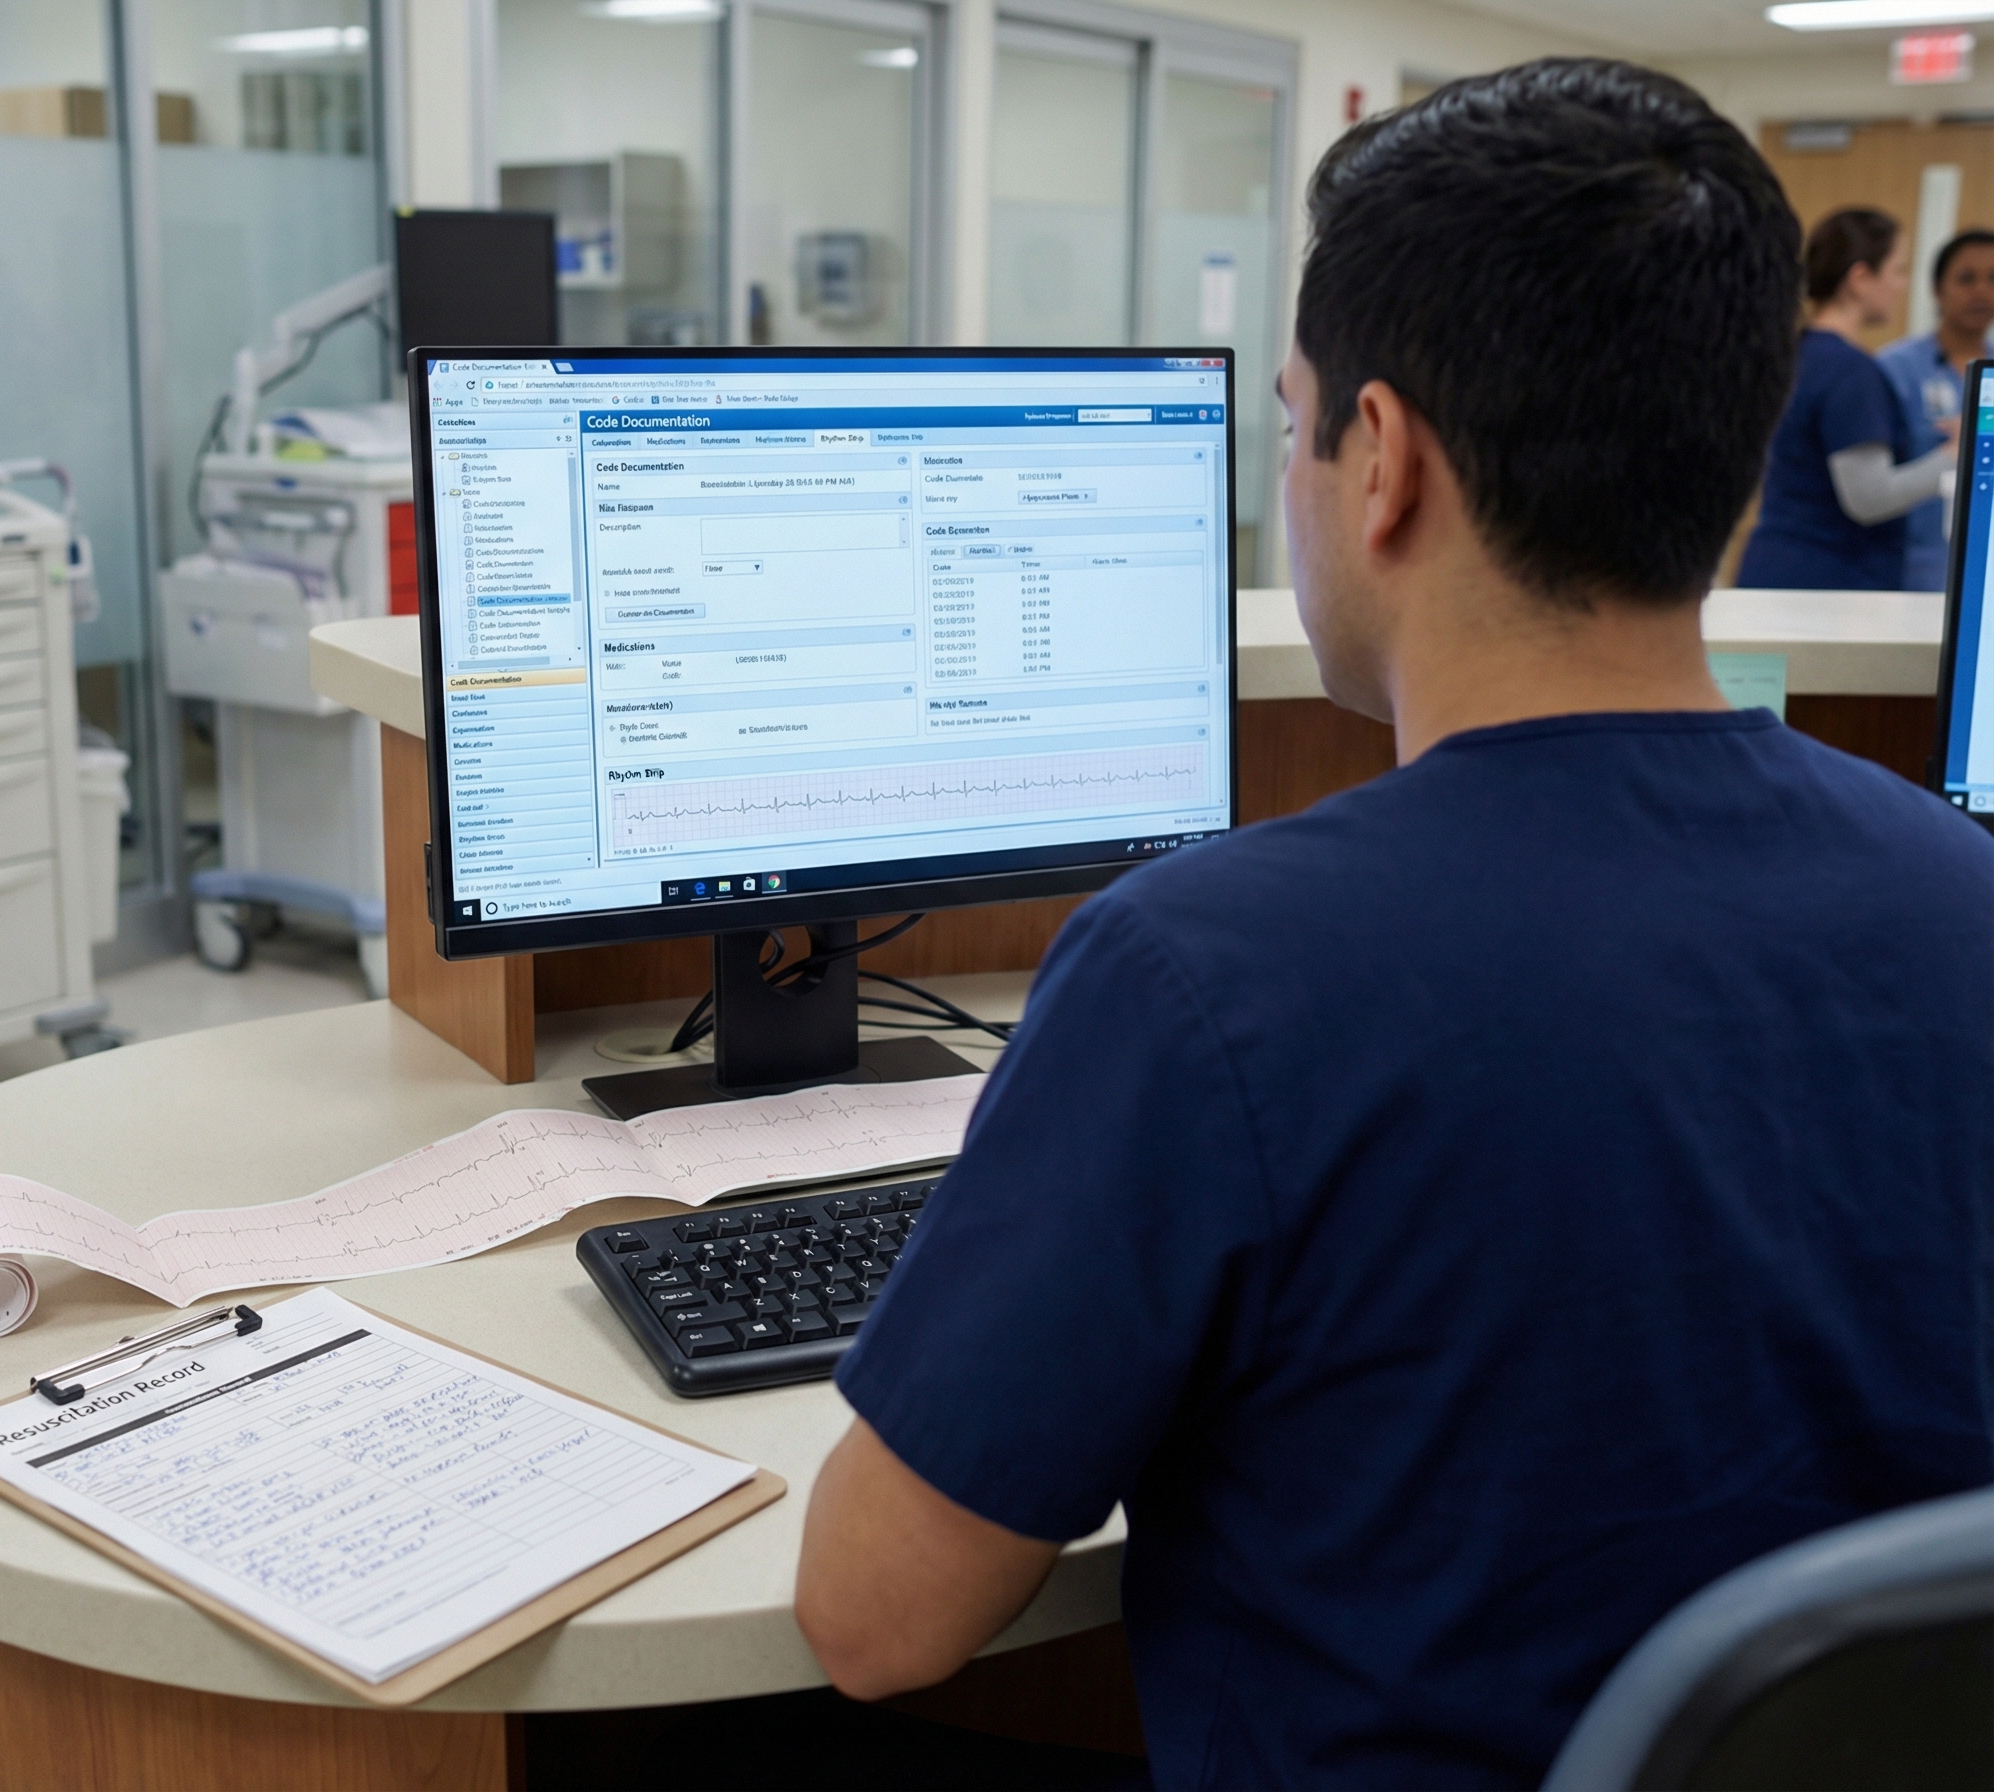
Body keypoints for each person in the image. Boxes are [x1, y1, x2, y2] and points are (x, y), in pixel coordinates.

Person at [794, 59, 1994, 1792]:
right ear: (1739, 469)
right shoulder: (1963, 896)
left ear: (1385, 461)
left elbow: (875, 1619)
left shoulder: (1207, 976)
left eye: (1294, 423)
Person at [1739, 208, 1955, 589]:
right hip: (1829, 580)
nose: (1903, 285)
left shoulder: (1793, 355)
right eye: (1897, 271)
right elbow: (1869, 498)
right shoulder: (1850, 372)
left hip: (1777, 566)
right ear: (1860, 279)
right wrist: (1959, 454)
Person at [1878, 227, 1994, 589]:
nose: (1981, 291)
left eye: (1993, 279)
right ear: (1937, 289)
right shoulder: (1895, 368)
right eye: (1966, 278)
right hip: (1908, 566)